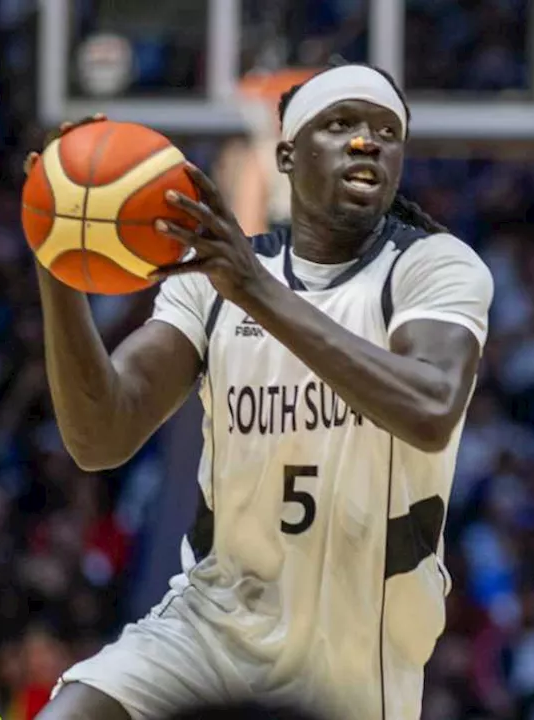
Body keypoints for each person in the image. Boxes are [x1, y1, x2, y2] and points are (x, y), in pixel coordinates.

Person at [28, 60, 494, 720]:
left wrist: (254, 290)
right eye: (340, 124)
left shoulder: (432, 268)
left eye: (386, 130)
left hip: (355, 648)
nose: (367, 141)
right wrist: (59, 257)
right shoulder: (213, 279)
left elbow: (431, 408)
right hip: (214, 622)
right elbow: (100, 436)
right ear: (286, 154)